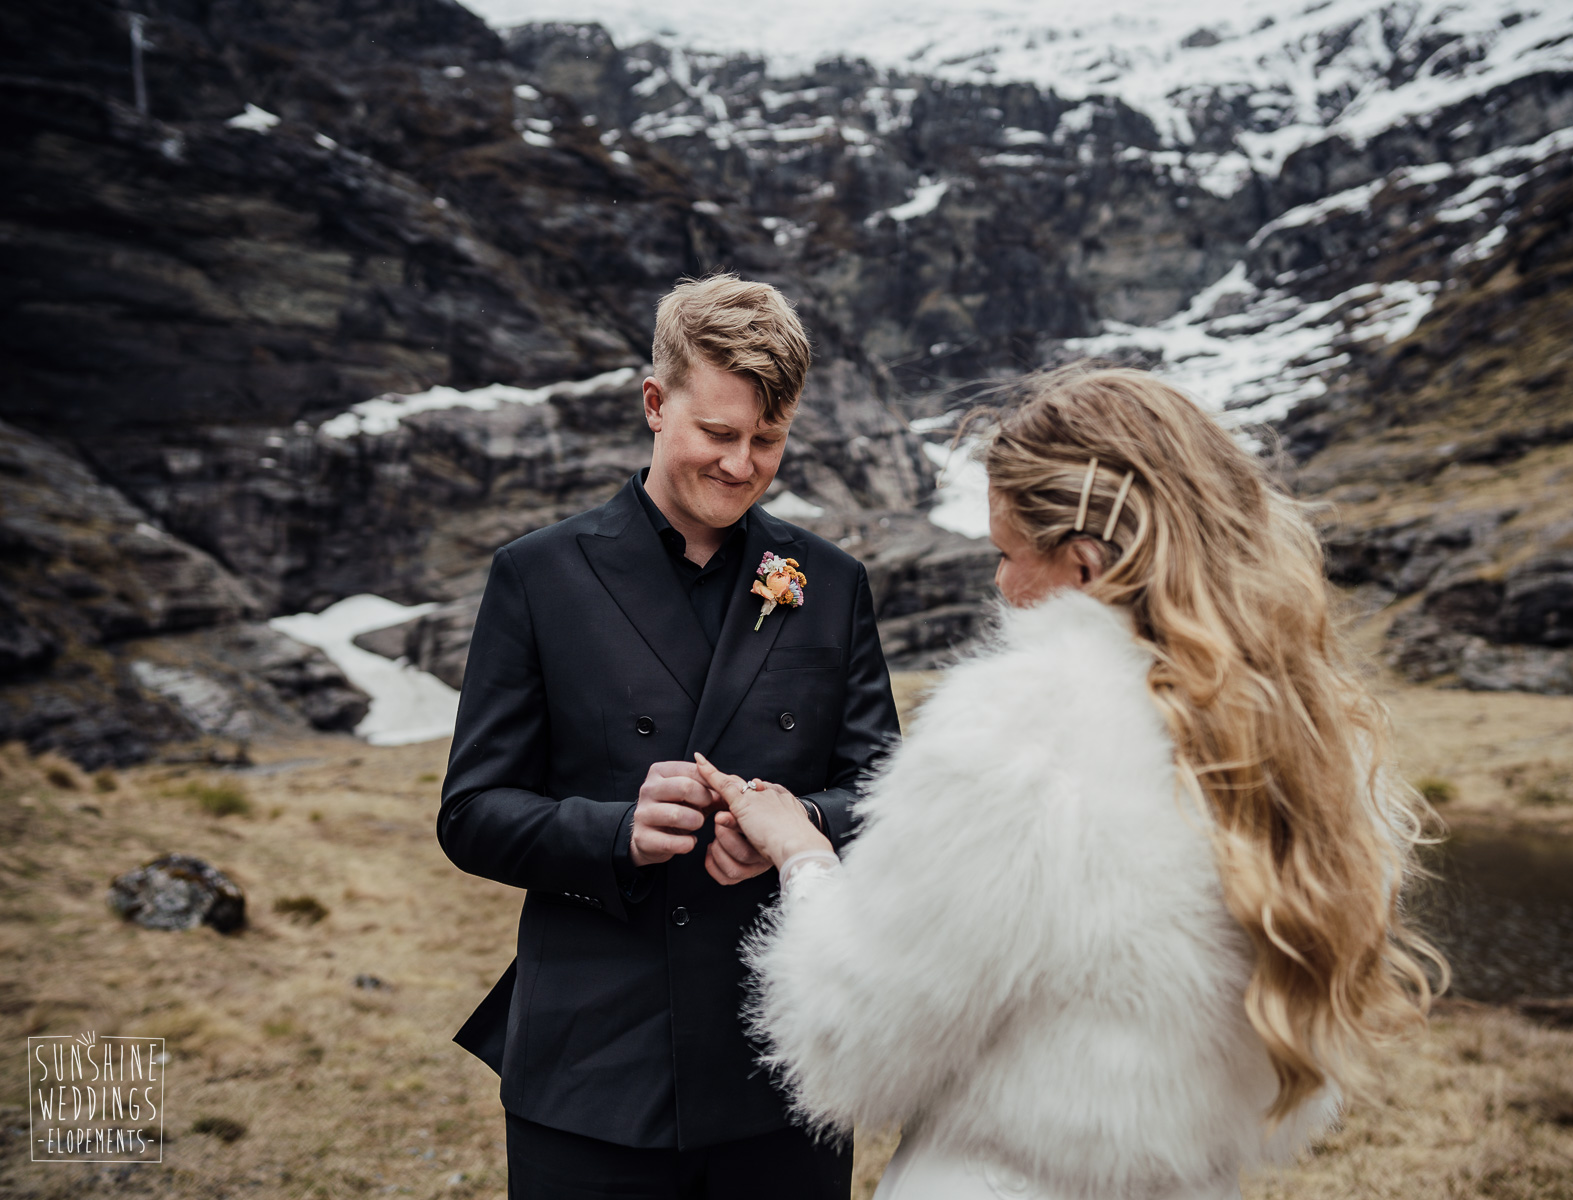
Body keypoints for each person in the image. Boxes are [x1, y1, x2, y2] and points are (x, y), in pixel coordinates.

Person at [695, 367, 1443, 1200]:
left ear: (1085, 566)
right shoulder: (1307, 735)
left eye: (1007, 554)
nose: (1000, 583)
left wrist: (802, 856)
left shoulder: (1021, 732)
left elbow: (852, 1046)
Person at [437, 274, 901, 1199]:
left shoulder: (830, 581)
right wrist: (615, 832)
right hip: (593, 1070)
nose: (741, 464)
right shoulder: (538, 576)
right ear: (655, 404)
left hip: (783, 1064)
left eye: (767, 439)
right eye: (718, 433)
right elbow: (472, 813)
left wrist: (802, 823)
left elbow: (889, 796)